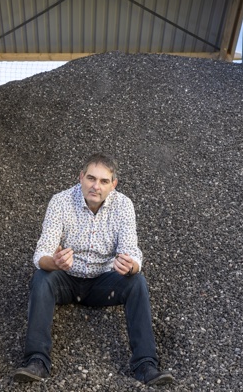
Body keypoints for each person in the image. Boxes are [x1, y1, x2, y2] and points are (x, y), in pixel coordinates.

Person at [13, 153, 174, 386]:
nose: (95, 186)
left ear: (113, 184)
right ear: (81, 177)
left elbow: (132, 252)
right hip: (66, 280)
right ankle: (36, 361)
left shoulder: (124, 206)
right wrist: (55, 263)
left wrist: (130, 266)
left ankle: (145, 366)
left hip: (103, 284)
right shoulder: (60, 202)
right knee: (41, 277)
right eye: (91, 178)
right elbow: (41, 254)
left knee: (137, 281)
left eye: (103, 181)